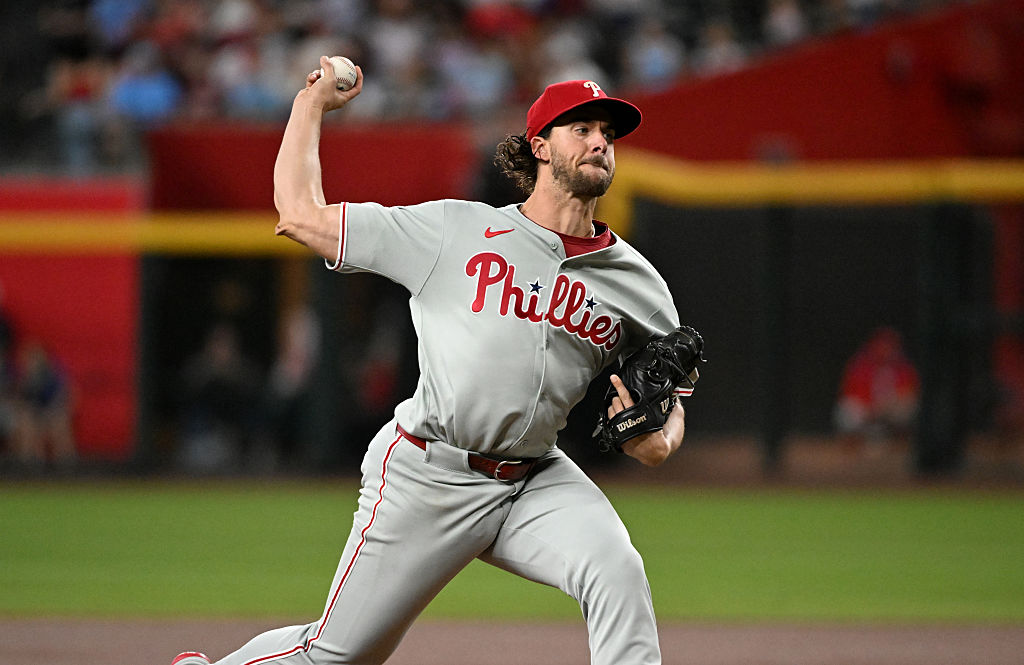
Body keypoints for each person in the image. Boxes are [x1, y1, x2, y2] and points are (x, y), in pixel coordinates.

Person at [173, 57, 687, 665]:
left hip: (535, 478)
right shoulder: (452, 231)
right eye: (582, 129)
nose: (600, 141)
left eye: (607, 133)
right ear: (540, 147)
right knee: (337, 655)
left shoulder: (636, 282)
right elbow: (300, 214)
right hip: (430, 471)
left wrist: (662, 438)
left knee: (617, 570)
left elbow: (672, 392)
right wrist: (309, 106)